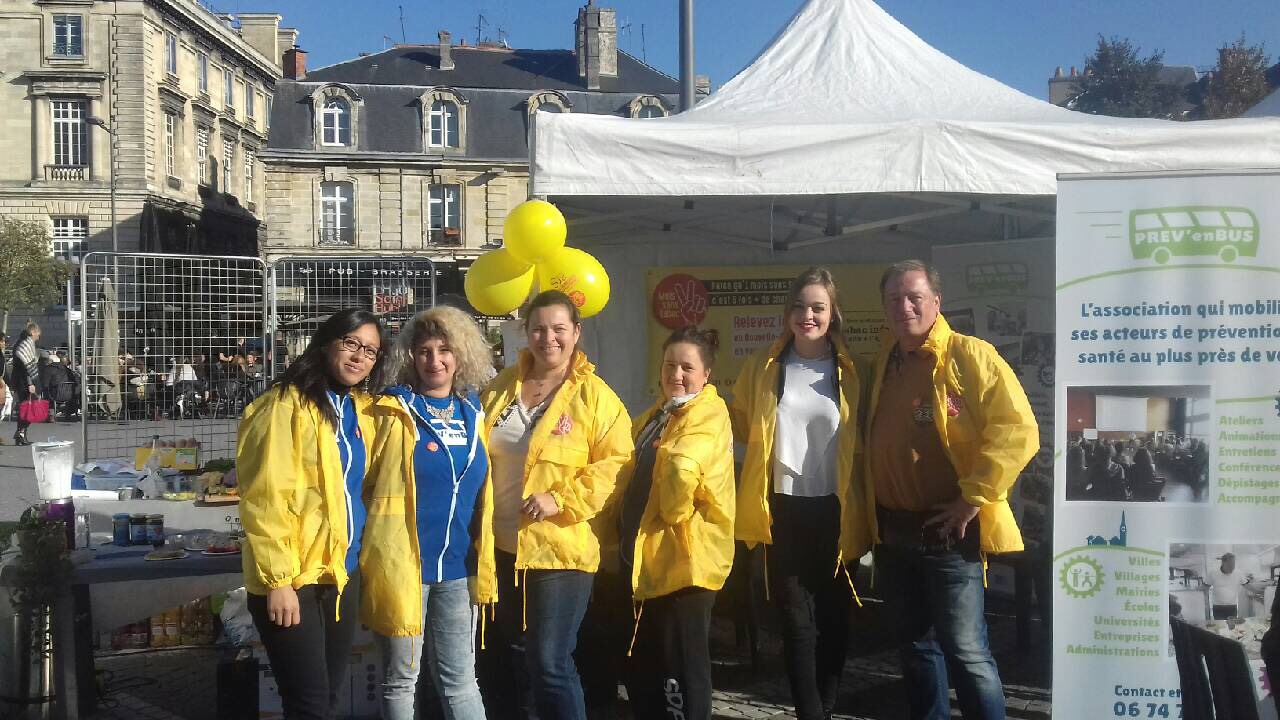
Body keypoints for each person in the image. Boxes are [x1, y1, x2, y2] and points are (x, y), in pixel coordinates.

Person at [868, 260, 1037, 720]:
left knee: (967, 653)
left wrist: (971, 500)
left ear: (936, 302)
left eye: (914, 297)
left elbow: (1018, 430)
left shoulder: (970, 355)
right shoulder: (885, 361)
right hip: (892, 530)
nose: (904, 307)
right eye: (894, 299)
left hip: (946, 530)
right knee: (916, 650)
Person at [477, 290, 633, 720]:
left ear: (576, 333)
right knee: (517, 657)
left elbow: (617, 464)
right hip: (502, 549)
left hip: (560, 551)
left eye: (559, 329)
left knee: (549, 661)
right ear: (525, 333)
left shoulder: (596, 397)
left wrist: (561, 499)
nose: (549, 338)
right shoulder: (500, 388)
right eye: (539, 328)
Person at [236, 309, 390, 720]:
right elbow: (265, 498)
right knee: (308, 705)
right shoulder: (283, 406)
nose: (360, 357)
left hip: (340, 573)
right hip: (294, 577)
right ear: (326, 344)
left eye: (371, 351)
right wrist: (278, 581)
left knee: (330, 697)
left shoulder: (360, 408)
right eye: (352, 344)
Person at [731, 267, 869, 720]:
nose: (806, 315)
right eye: (799, 306)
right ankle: (809, 713)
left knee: (834, 617)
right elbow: (736, 421)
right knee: (794, 620)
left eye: (817, 307)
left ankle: (826, 705)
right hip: (782, 508)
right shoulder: (765, 367)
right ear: (787, 312)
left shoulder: (853, 370)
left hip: (836, 509)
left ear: (833, 314)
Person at [362, 306, 494, 720]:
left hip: (458, 567)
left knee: (460, 679)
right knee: (402, 680)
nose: (434, 361)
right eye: (424, 351)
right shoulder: (391, 410)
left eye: (444, 350)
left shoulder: (474, 412)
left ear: (460, 355)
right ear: (411, 357)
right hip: (404, 568)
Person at [616, 326, 735, 720]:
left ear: (706, 375)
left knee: (681, 672)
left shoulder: (706, 413)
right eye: (670, 365)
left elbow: (683, 468)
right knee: (647, 665)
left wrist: (674, 512)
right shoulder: (659, 414)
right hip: (650, 562)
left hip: (685, 564)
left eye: (687, 367)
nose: (677, 375)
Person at [10, 323, 43, 446]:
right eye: (38, 334)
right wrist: (30, 383)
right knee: (28, 407)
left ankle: (21, 434)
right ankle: (21, 433)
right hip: (24, 381)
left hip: (21, 380)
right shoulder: (25, 344)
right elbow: (26, 367)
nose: (39, 337)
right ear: (33, 332)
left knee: (26, 407)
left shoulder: (23, 342)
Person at [1206, 553, 1245, 620]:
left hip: (1232, 607)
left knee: (1232, 627)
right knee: (1220, 627)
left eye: (1233, 564)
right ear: (1223, 562)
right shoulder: (1213, 573)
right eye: (1230, 564)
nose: (1232, 567)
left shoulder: (1238, 573)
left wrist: (1259, 591)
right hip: (1218, 607)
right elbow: (1205, 587)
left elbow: (1247, 585)